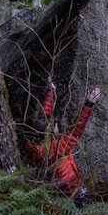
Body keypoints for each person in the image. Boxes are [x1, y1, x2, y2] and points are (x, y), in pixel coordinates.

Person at [23, 76, 101, 205]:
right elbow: (77, 129)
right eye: (54, 126)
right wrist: (89, 104)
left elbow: (44, 116)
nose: (56, 126)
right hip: (72, 192)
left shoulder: (33, 145)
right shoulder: (57, 148)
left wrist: (51, 91)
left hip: (58, 192)